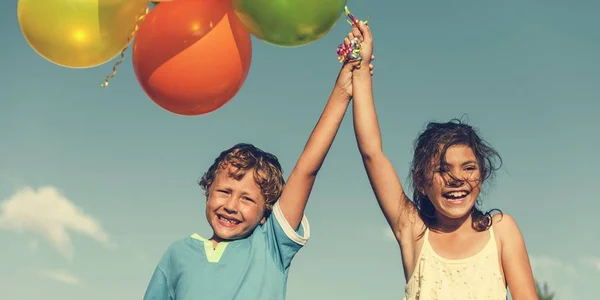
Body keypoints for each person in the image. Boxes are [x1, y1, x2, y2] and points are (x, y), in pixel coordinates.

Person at [142, 34, 375, 299]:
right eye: (225, 192)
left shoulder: (271, 245)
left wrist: (343, 90)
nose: (231, 206)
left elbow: (307, 167)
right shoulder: (177, 255)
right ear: (208, 189)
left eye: (247, 199)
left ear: (266, 212)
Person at [349, 21, 538, 299]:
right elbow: (372, 153)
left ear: (482, 176)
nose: (456, 178)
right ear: (421, 182)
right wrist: (362, 69)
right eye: (442, 169)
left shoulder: (501, 231)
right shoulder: (414, 232)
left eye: (468, 167)